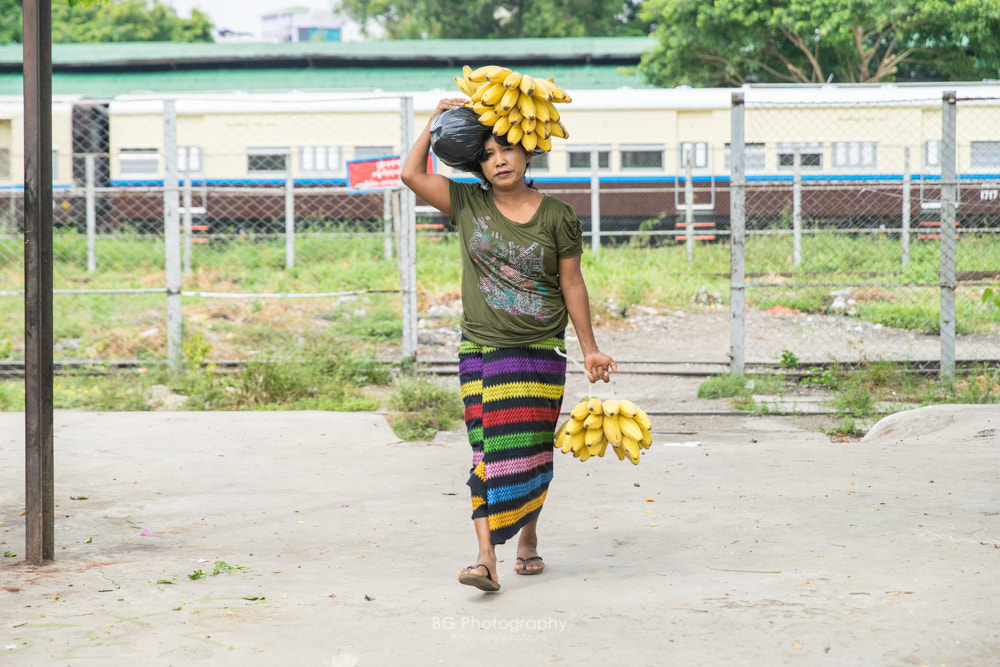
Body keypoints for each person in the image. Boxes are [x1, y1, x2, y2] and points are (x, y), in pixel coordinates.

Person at [401, 97, 617, 592]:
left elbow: (573, 284)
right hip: (480, 349)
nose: (500, 159)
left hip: (540, 350)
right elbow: (412, 174)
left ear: (527, 155)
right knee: (487, 453)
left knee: (531, 453)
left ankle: (527, 538)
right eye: (489, 153)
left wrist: (590, 348)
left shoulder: (558, 216)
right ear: (478, 163)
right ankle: (484, 559)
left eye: (509, 150)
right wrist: (433, 121)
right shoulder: (466, 202)